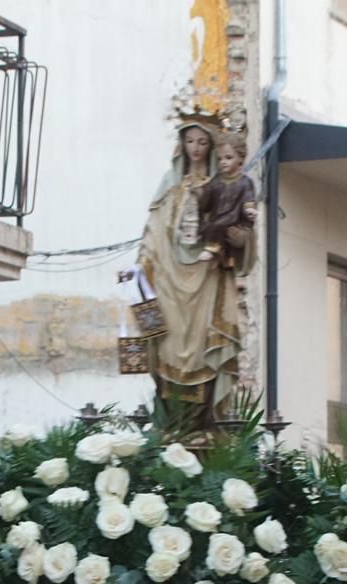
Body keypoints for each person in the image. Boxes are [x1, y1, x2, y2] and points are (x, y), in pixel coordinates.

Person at [129, 119, 253, 423]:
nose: (195, 149)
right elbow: (154, 233)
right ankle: (171, 423)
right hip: (170, 279)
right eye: (190, 142)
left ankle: (206, 423)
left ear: (211, 147)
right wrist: (143, 267)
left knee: (205, 349)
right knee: (167, 342)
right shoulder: (169, 187)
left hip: (208, 279)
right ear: (181, 145)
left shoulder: (223, 188)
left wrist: (242, 240)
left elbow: (242, 236)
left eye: (202, 142)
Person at [195, 132, 257, 271]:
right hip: (219, 217)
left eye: (228, 158)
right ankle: (219, 256)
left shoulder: (245, 182)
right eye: (220, 158)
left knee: (220, 227)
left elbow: (249, 200)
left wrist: (250, 211)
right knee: (209, 226)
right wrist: (201, 193)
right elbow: (206, 202)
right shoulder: (216, 180)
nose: (223, 162)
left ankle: (215, 252)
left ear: (240, 158)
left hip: (236, 219)